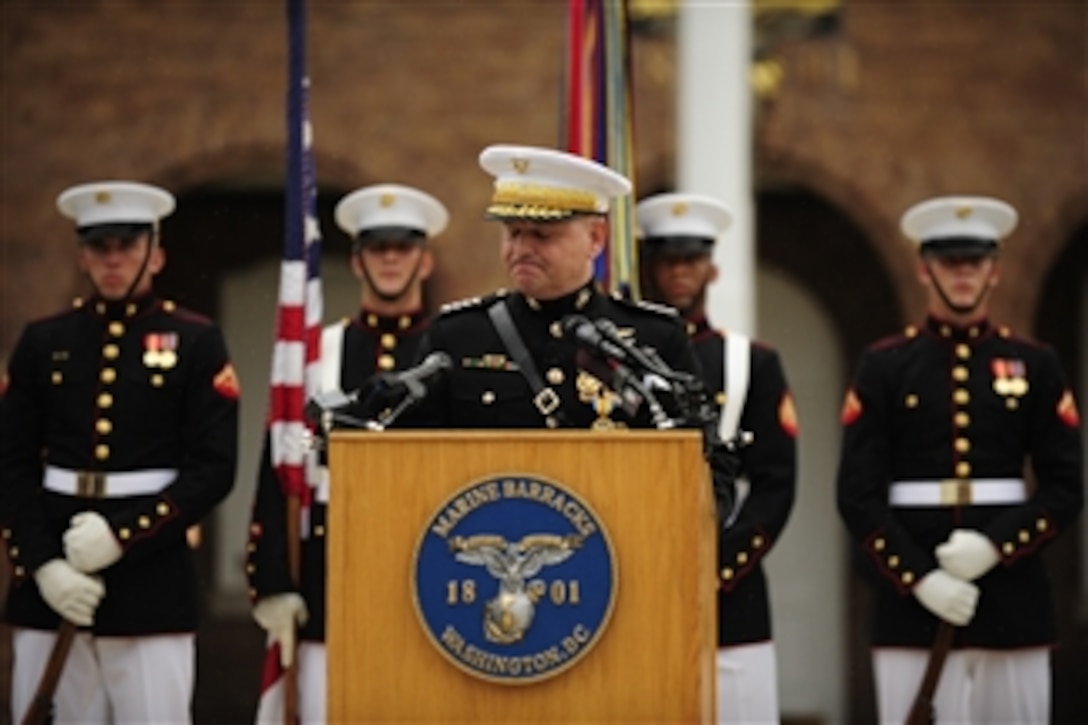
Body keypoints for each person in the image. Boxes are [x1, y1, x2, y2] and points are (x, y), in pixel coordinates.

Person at [836, 195, 1083, 724]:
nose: (964, 273)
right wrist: (922, 578)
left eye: (976, 261)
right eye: (951, 261)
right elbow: (856, 493)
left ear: (995, 270)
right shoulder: (885, 366)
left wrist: (995, 546)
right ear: (925, 270)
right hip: (909, 598)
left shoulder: (1036, 365)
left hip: (1013, 596)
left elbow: (1066, 486)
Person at [0, 180, 240, 723]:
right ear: (83, 256)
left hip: (152, 577)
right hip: (51, 575)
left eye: (127, 245)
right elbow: (10, 462)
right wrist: (43, 565)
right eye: (100, 246)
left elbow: (213, 468)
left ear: (155, 255)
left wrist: (119, 536)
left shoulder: (197, 341)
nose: (113, 259)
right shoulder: (43, 342)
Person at [245, 183, 448, 723]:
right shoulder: (318, 355)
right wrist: (272, 581)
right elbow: (286, 459)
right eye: (376, 247)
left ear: (424, 261)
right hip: (330, 571)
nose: (389, 258)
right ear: (356, 261)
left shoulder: (451, 356)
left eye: (402, 247)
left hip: (428, 562)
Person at [638, 192, 798, 724]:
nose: (680, 271)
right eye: (668, 260)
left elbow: (776, 481)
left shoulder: (751, 362)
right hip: (640, 576)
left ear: (712, 267)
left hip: (731, 585)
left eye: (691, 259)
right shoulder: (617, 359)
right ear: (650, 266)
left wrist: (720, 564)